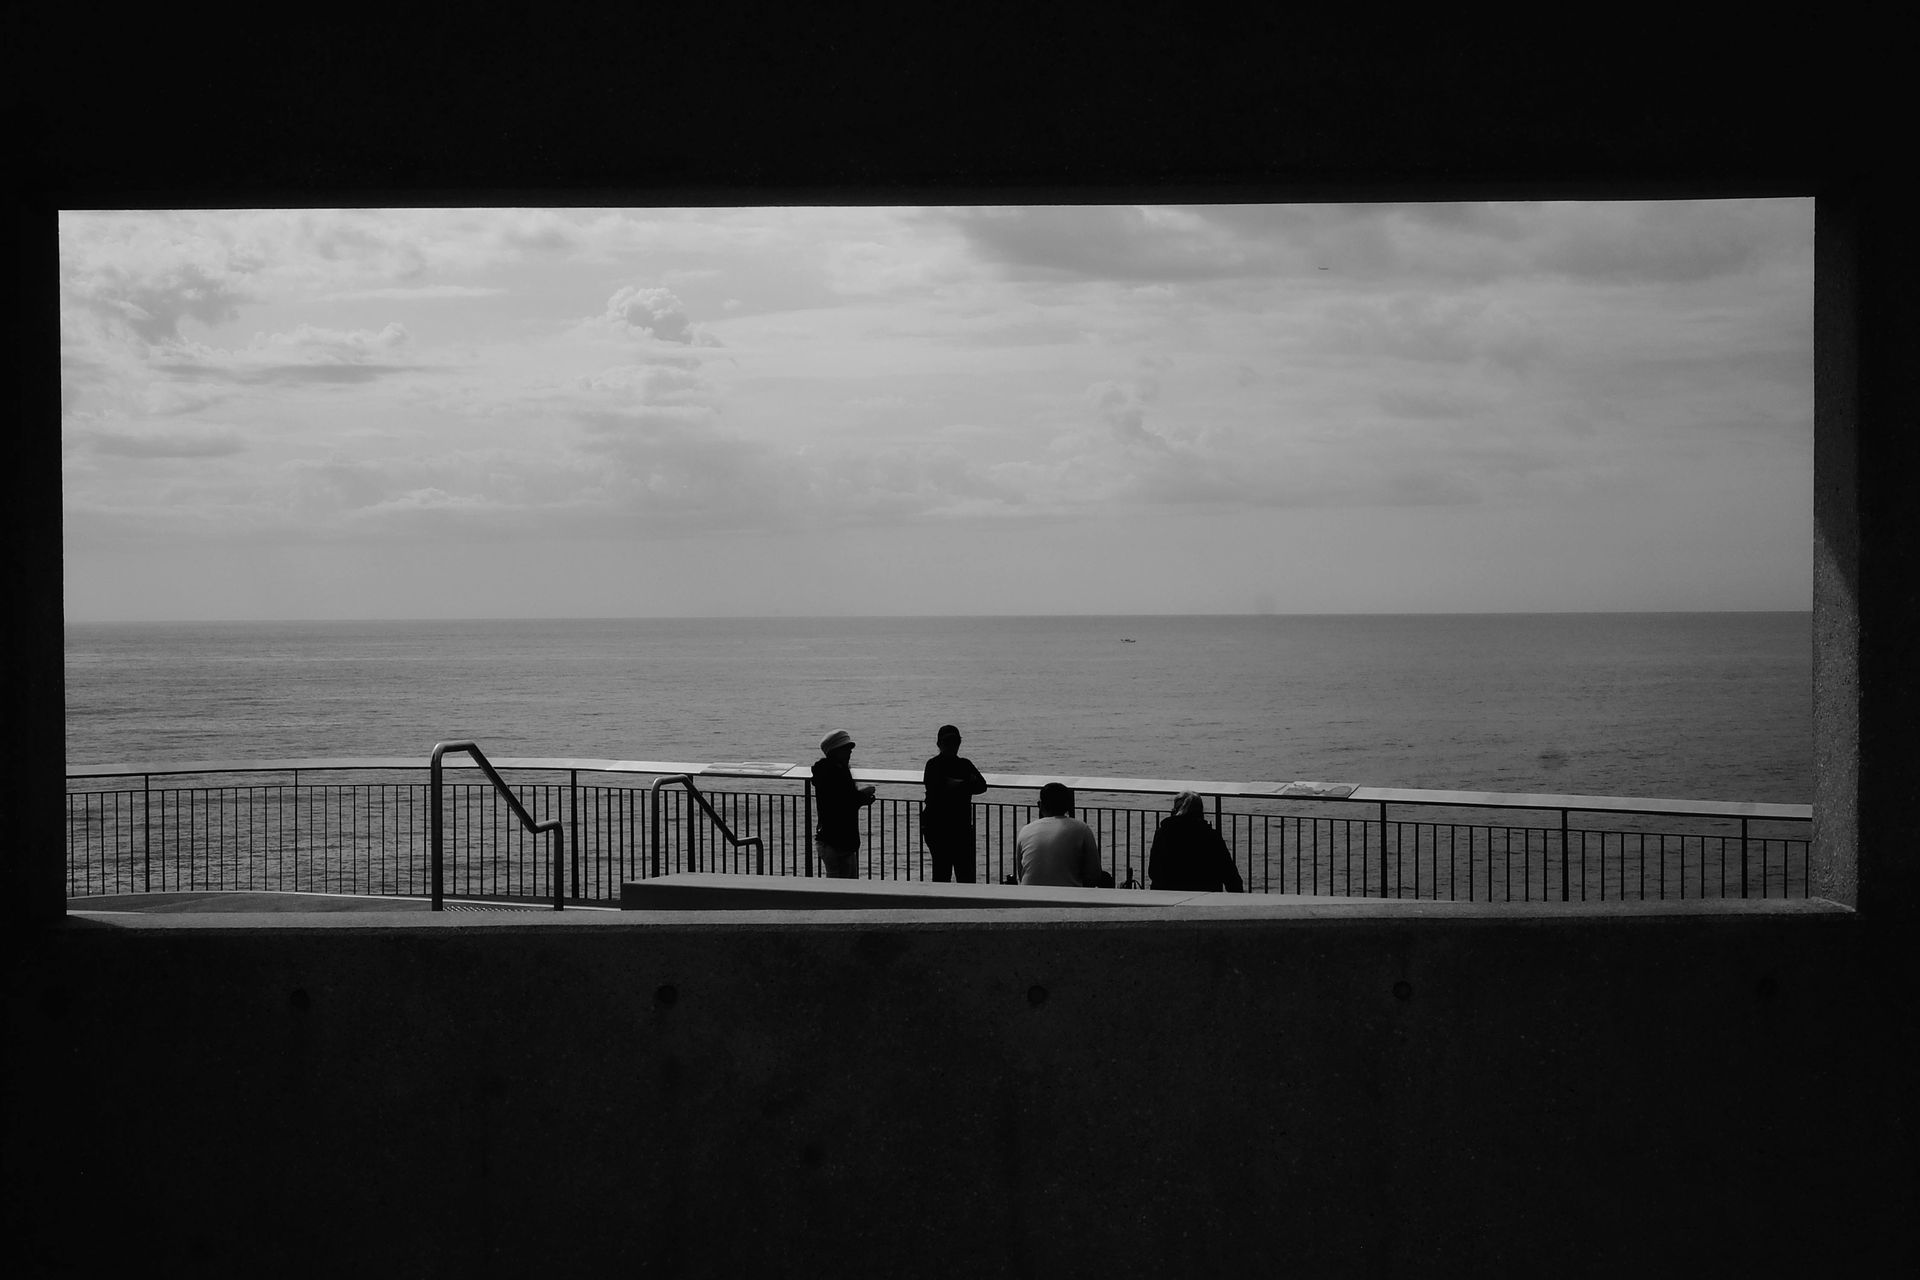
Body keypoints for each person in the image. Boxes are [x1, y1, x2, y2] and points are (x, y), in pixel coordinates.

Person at [921, 724, 988, 883]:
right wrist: (966, 784)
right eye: (949, 742)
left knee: (941, 873)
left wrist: (953, 785)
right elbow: (979, 785)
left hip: (937, 827)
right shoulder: (964, 765)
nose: (952, 746)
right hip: (959, 828)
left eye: (954, 742)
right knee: (964, 875)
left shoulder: (933, 765)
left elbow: (937, 789)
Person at [1013, 782, 1109, 888]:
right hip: (1069, 898)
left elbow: (1021, 873)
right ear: (1068, 806)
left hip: (1028, 896)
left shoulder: (1025, 830)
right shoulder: (1081, 829)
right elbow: (1094, 875)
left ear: (1040, 805)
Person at [1147, 790, 1245, 892]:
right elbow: (1230, 874)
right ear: (1200, 812)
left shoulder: (1162, 833)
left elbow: (1153, 872)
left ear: (1174, 811)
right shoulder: (1211, 836)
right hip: (1205, 895)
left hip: (1168, 895)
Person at [811, 729, 875, 879]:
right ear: (835, 751)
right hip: (840, 840)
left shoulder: (825, 772)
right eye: (846, 748)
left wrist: (859, 798)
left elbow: (841, 801)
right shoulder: (838, 773)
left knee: (837, 883)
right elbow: (844, 802)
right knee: (846, 886)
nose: (850, 752)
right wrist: (863, 796)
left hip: (829, 839)